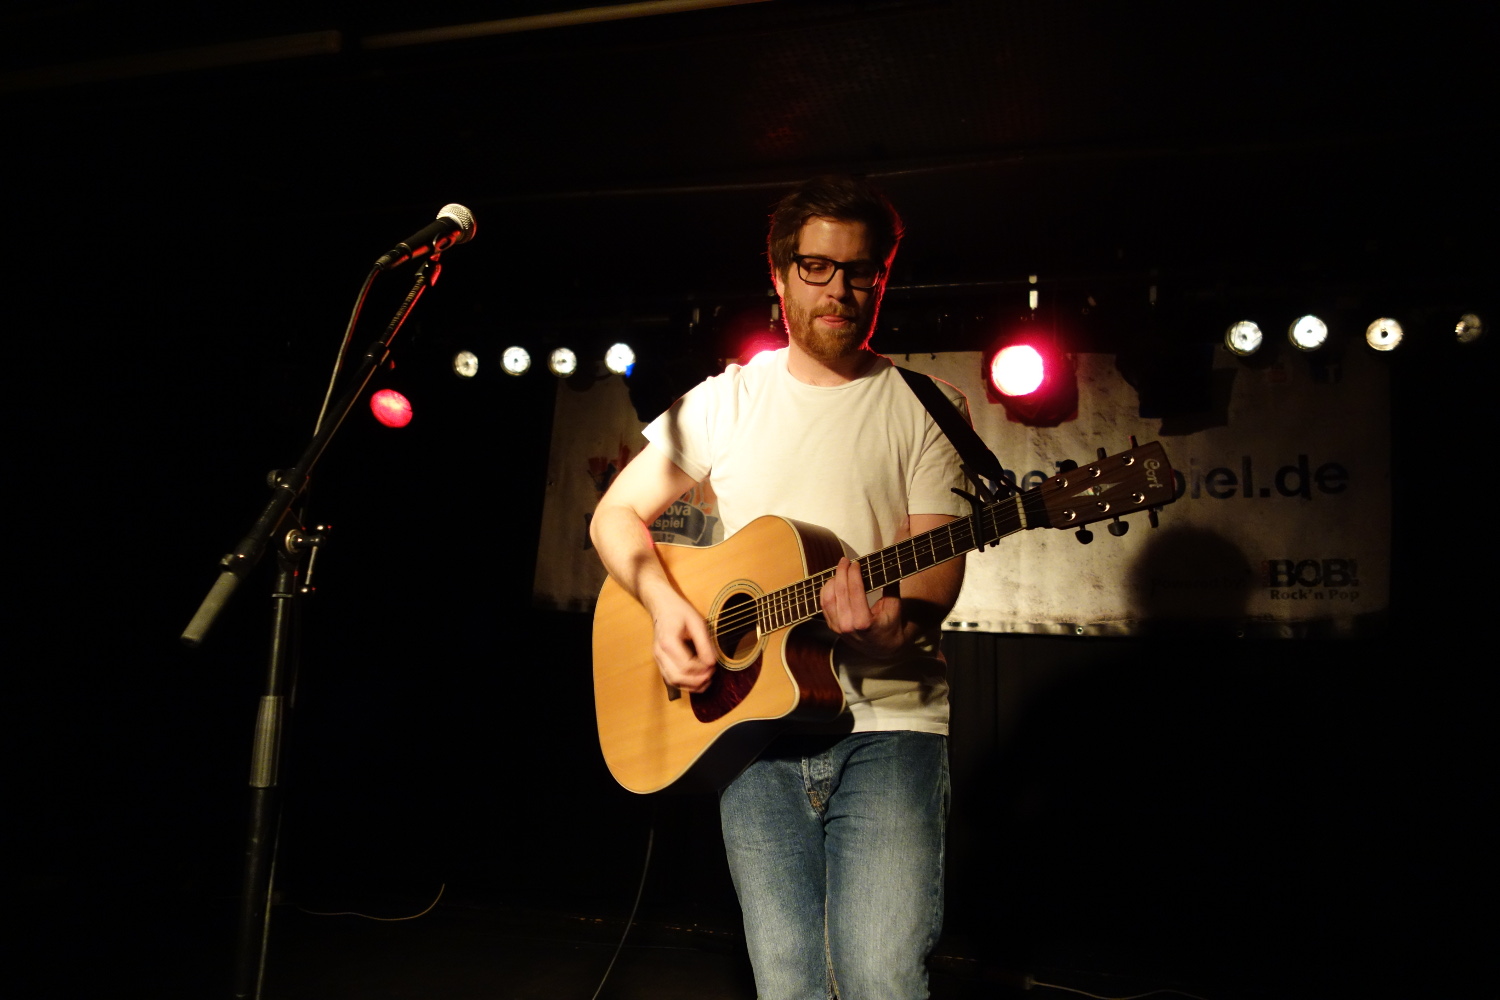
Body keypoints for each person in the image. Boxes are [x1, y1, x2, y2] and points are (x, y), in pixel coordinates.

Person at [589, 174, 969, 999]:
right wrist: (664, 605)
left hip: (889, 725)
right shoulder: (725, 401)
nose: (840, 290)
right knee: (788, 987)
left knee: (880, 982)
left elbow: (936, 569)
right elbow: (613, 516)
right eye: (817, 268)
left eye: (861, 271)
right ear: (780, 274)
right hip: (751, 734)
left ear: (883, 277)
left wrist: (887, 627)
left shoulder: (929, 405)